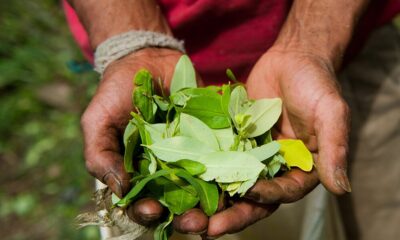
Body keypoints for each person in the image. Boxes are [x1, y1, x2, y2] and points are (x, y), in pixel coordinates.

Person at [64, 0, 400, 239]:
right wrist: (133, 41)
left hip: (349, 40)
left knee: (383, 222)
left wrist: (312, 41)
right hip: (157, 77)